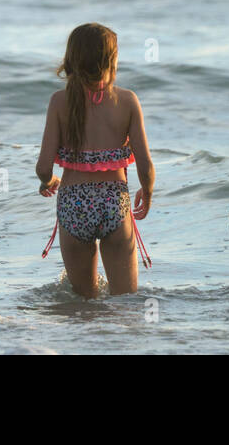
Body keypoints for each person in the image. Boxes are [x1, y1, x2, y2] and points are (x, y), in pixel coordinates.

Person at [36, 23, 154, 298]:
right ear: (111, 61)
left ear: (71, 59)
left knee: (83, 304)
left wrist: (49, 181)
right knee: (125, 301)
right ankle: (120, 341)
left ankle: (89, 340)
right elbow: (145, 165)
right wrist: (146, 193)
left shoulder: (59, 102)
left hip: (73, 203)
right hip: (114, 201)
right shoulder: (127, 101)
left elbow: (43, 167)